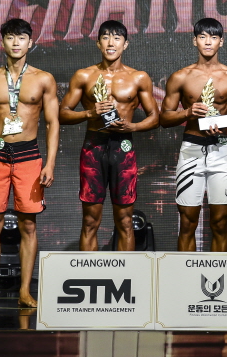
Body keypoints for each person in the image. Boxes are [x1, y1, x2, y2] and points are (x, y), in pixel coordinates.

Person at [0, 18, 59, 308]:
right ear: (2, 42)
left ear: (30, 42)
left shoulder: (43, 79)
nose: (16, 43)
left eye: (21, 38)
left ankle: (24, 291)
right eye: (10, 37)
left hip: (28, 157)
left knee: (29, 225)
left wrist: (50, 163)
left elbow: (53, 123)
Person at [59, 20, 160, 251]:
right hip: (93, 146)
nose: (111, 43)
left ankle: (126, 272)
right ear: (98, 43)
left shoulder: (138, 77)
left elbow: (155, 117)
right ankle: (90, 271)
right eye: (105, 37)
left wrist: (132, 127)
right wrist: (89, 113)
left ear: (126, 44)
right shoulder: (84, 76)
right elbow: (62, 114)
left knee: (125, 221)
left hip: (123, 147)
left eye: (116, 38)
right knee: (90, 220)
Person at [160, 18, 227, 251]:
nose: (208, 42)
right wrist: (187, 112)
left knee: (220, 223)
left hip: (222, 150)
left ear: (221, 42)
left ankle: (218, 274)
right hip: (191, 150)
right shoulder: (180, 77)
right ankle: (187, 274)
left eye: (213, 37)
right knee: (187, 222)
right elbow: (164, 118)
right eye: (202, 37)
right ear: (195, 41)